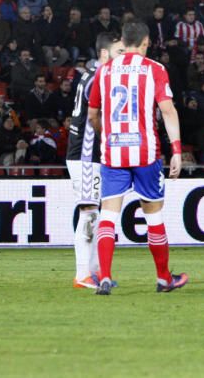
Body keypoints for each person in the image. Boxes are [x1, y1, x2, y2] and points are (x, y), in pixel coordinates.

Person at [87, 21, 187, 295]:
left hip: (113, 153)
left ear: (123, 40)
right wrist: (176, 150)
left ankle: (104, 276)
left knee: (108, 214)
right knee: (153, 216)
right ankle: (164, 278)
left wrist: (104, 134)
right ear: (145, 43)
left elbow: (93, 114)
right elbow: (167, 111)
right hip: (146, 153)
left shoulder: (104, 71)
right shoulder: (154, 69)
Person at [66, 32, 122, 289]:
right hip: (85, 156)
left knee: (95, 214)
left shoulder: (91, 75)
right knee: (89, 213)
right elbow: (94, 118)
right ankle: (82, 275)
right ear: (104, 54)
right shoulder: (98, 79)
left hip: (89, 156)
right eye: (118, 52)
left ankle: (95, 271)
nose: (122, 57)